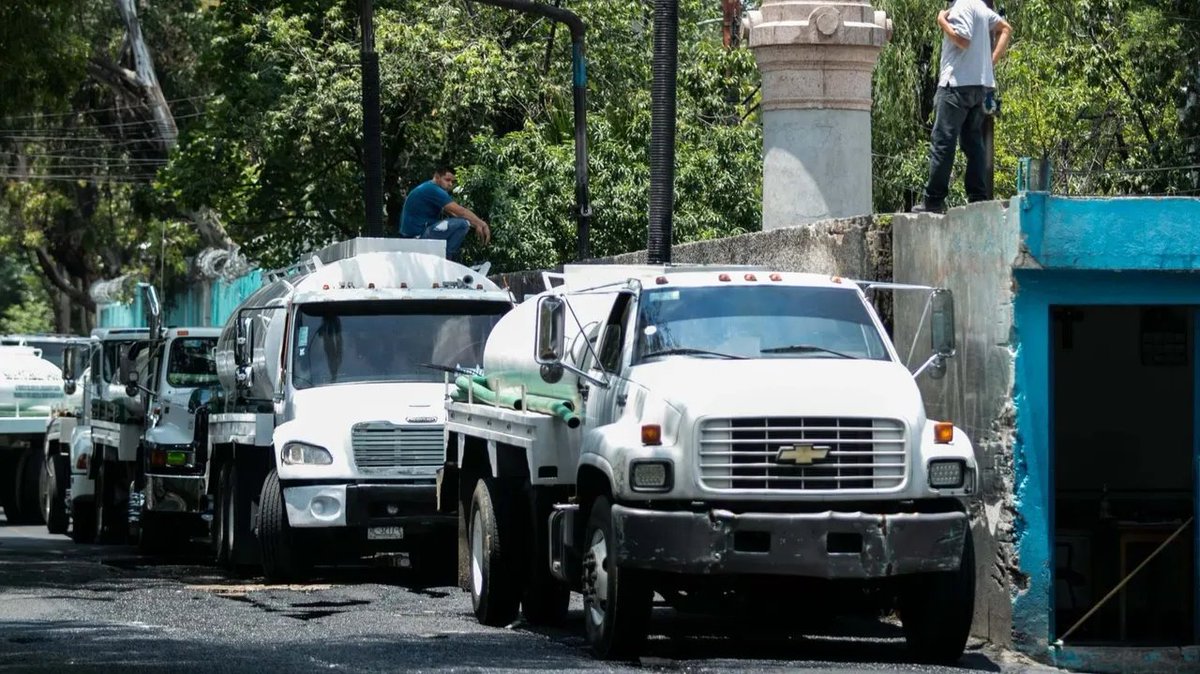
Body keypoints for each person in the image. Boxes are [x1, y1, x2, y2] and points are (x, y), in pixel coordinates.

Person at [912, 0, 1012, 214]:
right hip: (980, 87)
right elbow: (1006, 29)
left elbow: (963, 39)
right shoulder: (981, 7)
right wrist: (990, 62)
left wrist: (942, 22)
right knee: (973, 143)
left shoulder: (962, 5)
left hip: (955, 86)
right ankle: (978, 199)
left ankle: (933, 201)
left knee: (943, 143)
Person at [398, 166, 491, 261]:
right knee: (463, 224)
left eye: (452, 181)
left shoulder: (428, 187)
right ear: (437, 177)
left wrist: (475, 224)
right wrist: (482, 224)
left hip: (415, 235)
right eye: (447, 180)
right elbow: (460, 212)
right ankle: (447, 260)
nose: (450, 184)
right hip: (418, 236)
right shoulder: (433, 190)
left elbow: (453, 213)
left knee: (462, 222)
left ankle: (447, 258)